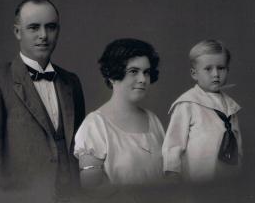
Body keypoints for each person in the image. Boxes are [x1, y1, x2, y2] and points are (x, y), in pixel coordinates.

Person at [0, 0, 85, 201]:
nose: (43, 35)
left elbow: (79, 148)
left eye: (50, 27)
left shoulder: (71, 82)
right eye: (33, 27)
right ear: (17, 32)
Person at [73, 38, 165, 187]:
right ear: (112, 75)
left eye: (146, 72)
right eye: (133, 71)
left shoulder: (153, 120)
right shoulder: (95, 125)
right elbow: (92, 192)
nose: (143, 79)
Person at [162, 39, 242, 183]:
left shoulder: (231, 107)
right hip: (197, 178)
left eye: (221, 68)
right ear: (194, 73)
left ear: (227, 70)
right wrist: (172, 173)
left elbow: (238, 144)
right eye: (208, 69)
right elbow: (173, 143)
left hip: (227, 177)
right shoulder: (188, 104)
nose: (215, 74)